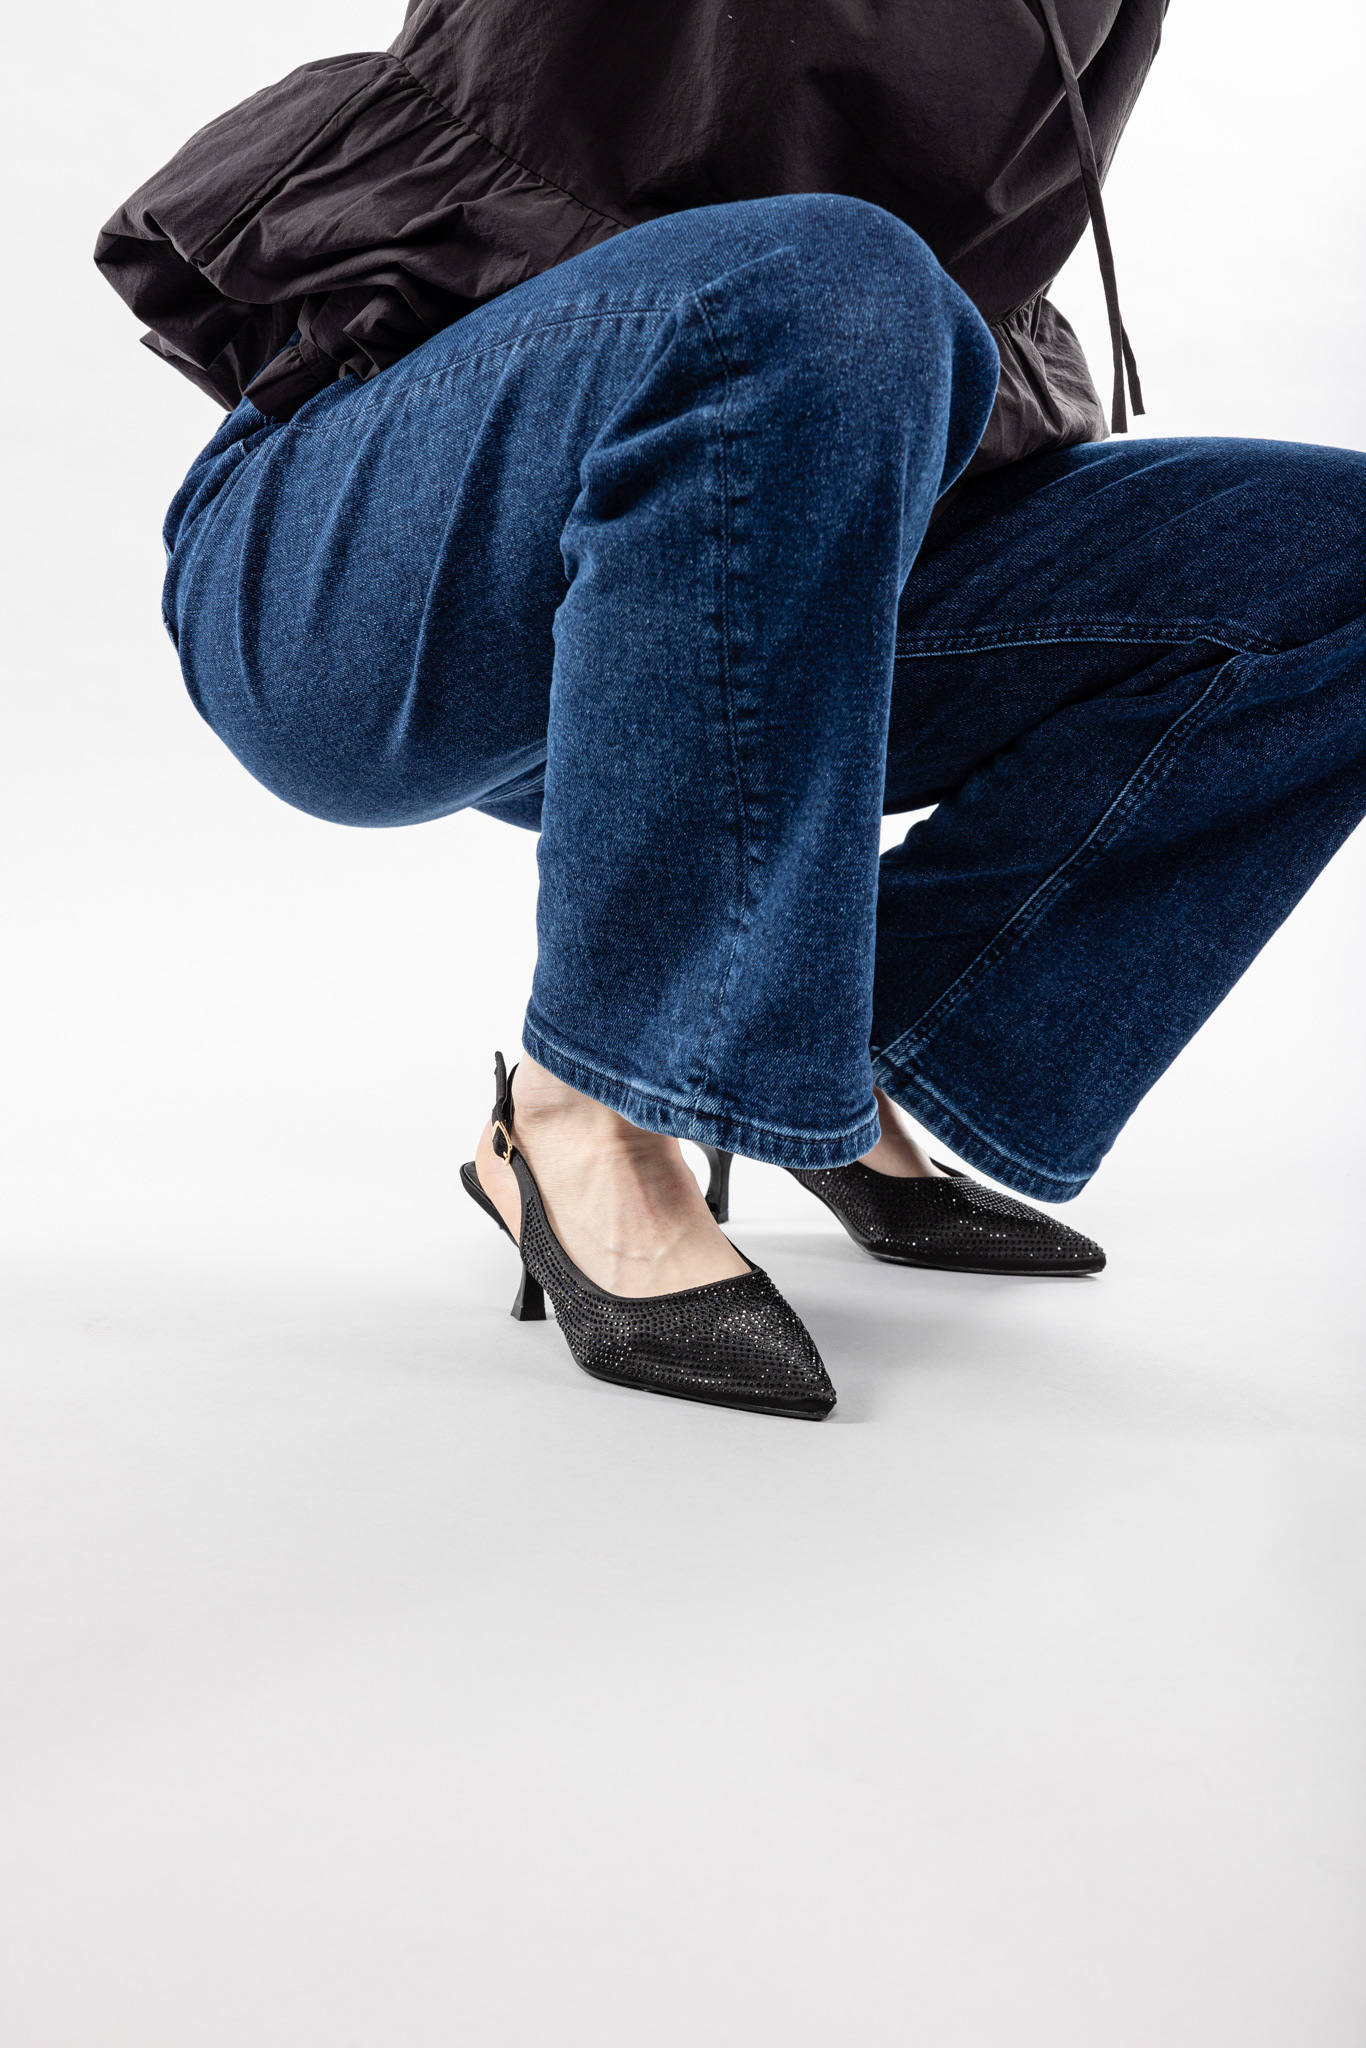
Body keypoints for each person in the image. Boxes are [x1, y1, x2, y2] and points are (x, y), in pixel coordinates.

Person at [94, 1, 1366, 1420]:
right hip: (379, 564)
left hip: (780, 551)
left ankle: (823, 1050)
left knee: (1331, 567)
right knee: (833, 280)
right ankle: (590, 1105)